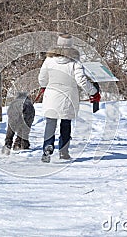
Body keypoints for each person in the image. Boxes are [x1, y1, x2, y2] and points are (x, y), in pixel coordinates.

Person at [38, 33, 101, 163]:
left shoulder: (49, 60)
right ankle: (64, 151)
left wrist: (44, 86)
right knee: (65, 123)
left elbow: (42, 77)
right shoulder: (74, 61)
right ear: (71, 45)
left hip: (51, 94)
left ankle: (47, 148)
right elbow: (81, 80)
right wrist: (93, 92)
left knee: (50, 122)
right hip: (68, 96)